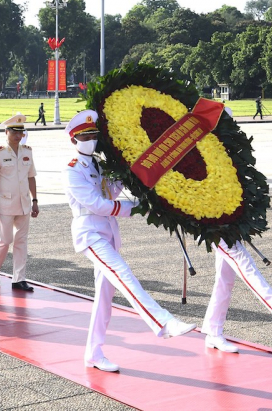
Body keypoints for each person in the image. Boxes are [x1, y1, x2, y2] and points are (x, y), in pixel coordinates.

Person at [63, 110, 196, 372]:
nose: (90, 139)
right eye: (84, 136)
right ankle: (163, 322)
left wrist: (127, 172)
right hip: (90, 233)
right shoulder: (72, 171)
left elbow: (111, 191)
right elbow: (98, 205)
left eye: (93, 135)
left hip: (108, 234)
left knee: (104, 296)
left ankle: (94, 352)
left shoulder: (99, 165)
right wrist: (137, 208)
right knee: (123, 273)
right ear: (73, 140)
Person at [202, 239, 272, 353]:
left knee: (225, 279)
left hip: (224, 226)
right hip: (214, 226)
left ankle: (213, 331)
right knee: (243, 262)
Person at [0, 113, 38, 292]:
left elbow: (31, 178)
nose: (18, 135)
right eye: (14, 131)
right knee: (6, 239)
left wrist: (35, 200)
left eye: (21, 132)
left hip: (24, 203)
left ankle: (19, 279)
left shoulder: (27, 152)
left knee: (21, 242)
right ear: (6, 132)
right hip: (6, 205)